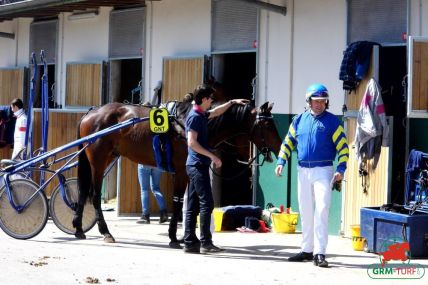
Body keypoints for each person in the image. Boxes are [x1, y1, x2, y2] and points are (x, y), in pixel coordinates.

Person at [274, 84, 349, 267]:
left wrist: (341, 169)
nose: (319, 104)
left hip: (323, 171)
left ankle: (320, 253)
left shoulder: (333, 122)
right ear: (308, 102)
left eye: (323, 101)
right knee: (306, 211)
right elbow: (288, 142)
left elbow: (343, 148)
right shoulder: (299, 120)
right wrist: (281, 162)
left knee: (322, 209)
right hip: (302, 171)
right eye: (316, 101)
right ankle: (307, 250)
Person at [184, 84, 248, 254]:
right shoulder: (195, 117)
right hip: (197, 165)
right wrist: (211, 156)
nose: (212, 101)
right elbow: (192, 142)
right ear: (204, 99)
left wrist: (232, 102)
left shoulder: (200, 113)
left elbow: (216, 112)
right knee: (207, 203)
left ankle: (190, 241)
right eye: (210, 98)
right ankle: (205, 242)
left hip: (195, 164)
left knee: (193, 204)